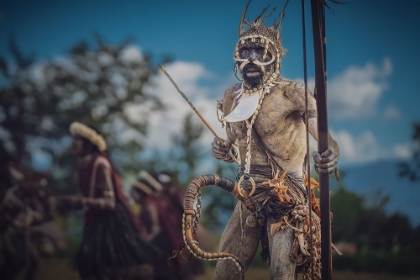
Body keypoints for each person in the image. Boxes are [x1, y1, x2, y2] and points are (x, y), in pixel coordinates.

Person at [209, 3, 340, 280]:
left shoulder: (292, 93)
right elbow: (233, 141)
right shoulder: (232, 96)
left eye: (260, 52)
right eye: (246, 52)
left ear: (275, 57)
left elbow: (325, 138)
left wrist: (331, 153)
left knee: (282, 272)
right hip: (247, 194)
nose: (252, 59)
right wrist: (221, 148)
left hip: (287, 195)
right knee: (225, 272)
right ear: (237, 57)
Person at [58, 122, 159, 280]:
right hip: (93, 218)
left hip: (110, 220)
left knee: (108, 264)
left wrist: (79, 201)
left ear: (88, 144)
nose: (73, 144)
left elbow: (110, 202)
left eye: (77, 141)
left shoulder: (101, 163)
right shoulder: (82, 163)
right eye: (74, 140)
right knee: (87, 264)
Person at [130, 172, 196, 280]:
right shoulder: (147, 204)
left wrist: (144, 242)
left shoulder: (150, 205)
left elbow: (155, 228)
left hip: (161, 244)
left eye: (135, 192)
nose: (132, 195)